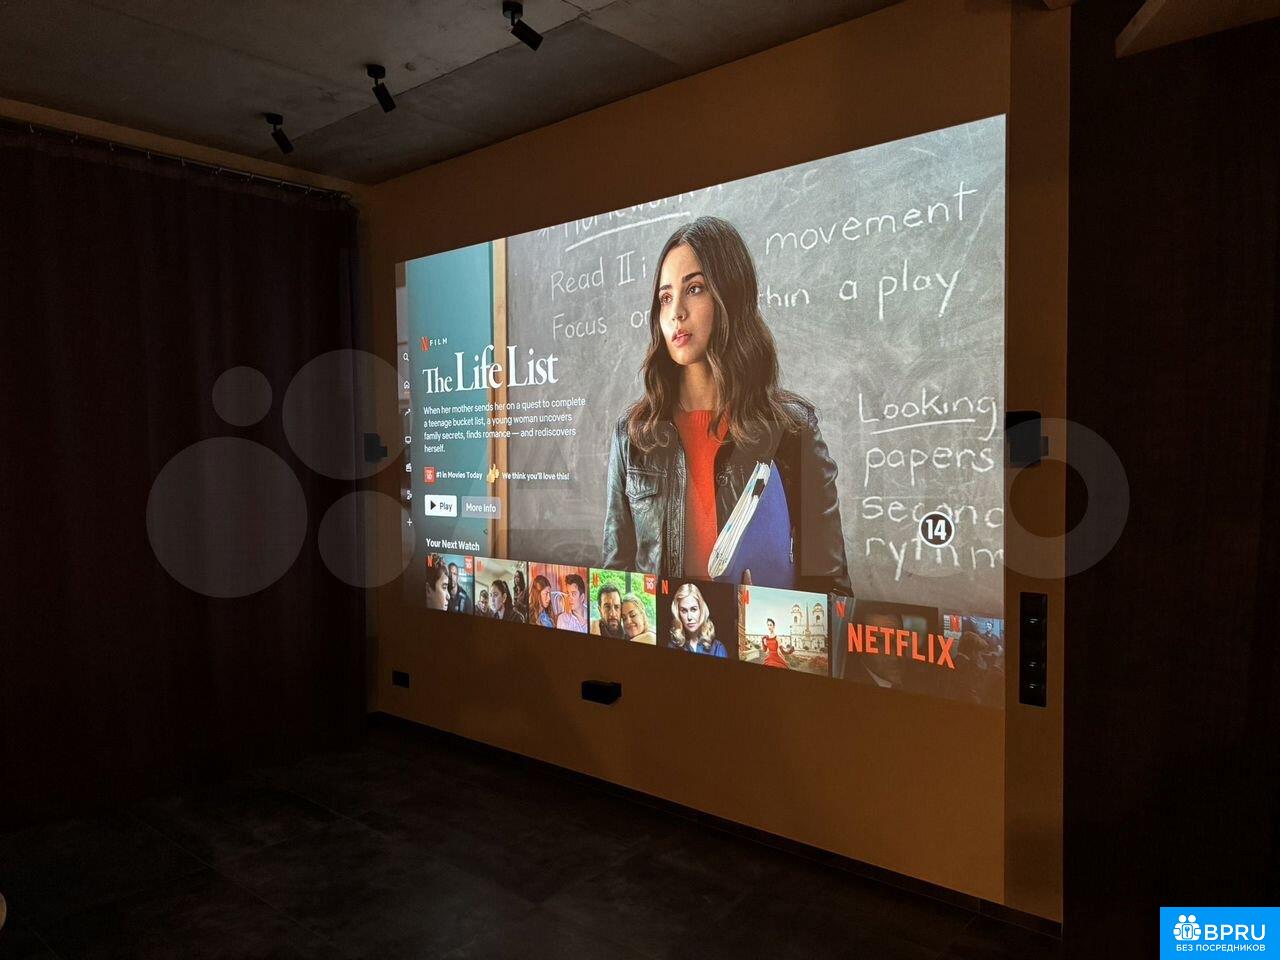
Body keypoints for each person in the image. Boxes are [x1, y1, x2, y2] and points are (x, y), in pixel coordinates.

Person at [602, 216, 850, 595]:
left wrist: (767, 611)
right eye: (665, 297)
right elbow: (613, 583)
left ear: (729, 296)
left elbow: (833, 593)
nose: (676, 312)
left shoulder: (791, 431)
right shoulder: (633, 436)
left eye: (695, 289)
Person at [666, 582, 726, 657]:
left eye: (693, 609)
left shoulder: (717, 648)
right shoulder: (672, 646)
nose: (689, 617)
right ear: (678, 613)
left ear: (701, 610)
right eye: (684, 611)